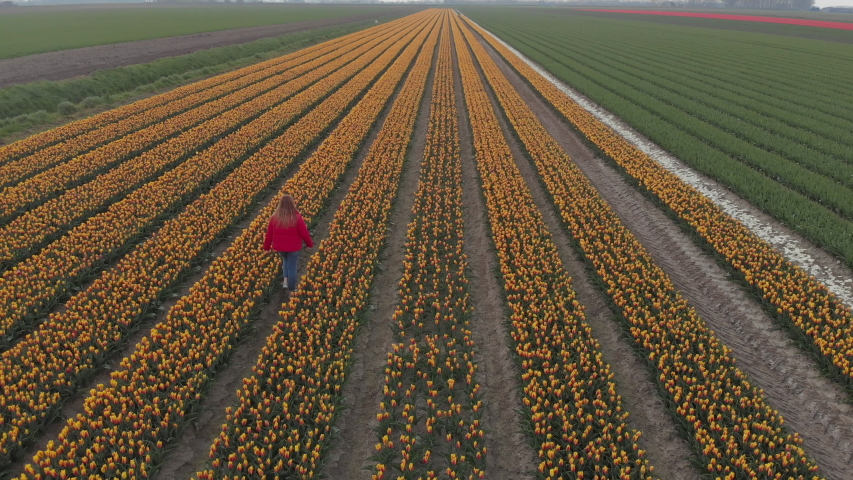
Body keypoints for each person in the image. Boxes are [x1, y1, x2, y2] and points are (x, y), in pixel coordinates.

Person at [263, 195, 313, 292]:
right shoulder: (297, 217)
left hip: (280, 247)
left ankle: (285, 281)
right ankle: (292, 287)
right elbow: (304, 233)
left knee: (285, 261)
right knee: (292, 266)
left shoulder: (275, 217)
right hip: (294, 247)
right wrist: (309, 244)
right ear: (292, 204)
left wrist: (266, 247)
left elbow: (269, 234)